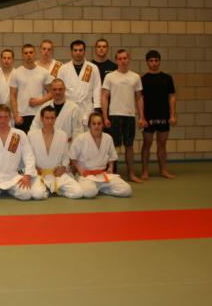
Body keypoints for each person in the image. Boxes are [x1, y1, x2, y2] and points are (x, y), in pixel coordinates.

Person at [0, 105, 44, 201]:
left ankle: (10, 190)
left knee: (26, 195)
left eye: (5, 117)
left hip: (13, 176)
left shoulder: (18, 134)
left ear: (10, 117)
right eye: (0, 117)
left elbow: (28, 156)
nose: (3, 120)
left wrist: (27, 175)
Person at [102, 49, 146, 183]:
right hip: (114, 115)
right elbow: (104, 97)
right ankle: (112, 173)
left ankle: (131, 174)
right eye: (120, 58)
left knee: (129, 145)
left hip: (129, 115)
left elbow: (139, 98)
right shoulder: (110, 77)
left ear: (129, 59)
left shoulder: (135, 77)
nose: (123, 61)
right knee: (112, 146)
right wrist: (105, 117)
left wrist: (141, 117)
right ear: (116, 60)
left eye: (125, 58)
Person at [70, 113, 132, 198]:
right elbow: (72, 157)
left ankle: (100, 188)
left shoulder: (108, 138)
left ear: (102, 125)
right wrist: (79, 169)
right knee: (89, 192)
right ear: (89, 125)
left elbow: (112, 156)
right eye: (94, 124)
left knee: (126, 190)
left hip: (102, 175)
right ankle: (95, 188)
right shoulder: (81, 139)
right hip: (86, 175)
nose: (97, 126)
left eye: (99, 123)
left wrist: (110, 167)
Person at [28, 106, 83, 199]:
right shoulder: (32, 135)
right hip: (39, 174)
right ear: (41, 119)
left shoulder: (62, 135)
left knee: (78, 192)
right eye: (47, 118)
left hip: (57, 174)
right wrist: (34, 168)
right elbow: (28, 156)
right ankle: (48, 189)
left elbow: (66, 157)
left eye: (52, 118)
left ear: (55, 119)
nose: (50, 121)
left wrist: (63, 168)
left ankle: (53, 188)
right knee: (37, 195)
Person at [140, 50, 177, 180]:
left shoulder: (167, 78)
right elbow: (140, 99)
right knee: (147, 144)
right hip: (148, 116)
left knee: (162, 144)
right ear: (147, 62)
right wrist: (141, 117)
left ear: (159, 61)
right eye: (151, 61)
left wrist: (172, 115)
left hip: (163, 115)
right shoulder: (143, 79)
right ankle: (145, 171)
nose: (154, 63)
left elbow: (172, 97)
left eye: (156, 61)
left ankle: (163, 170)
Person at [10, 43, 53, 132]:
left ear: (35, 54)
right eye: (26, 53)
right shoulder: (16, 73)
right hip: (22, 115)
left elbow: (52, 93)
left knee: (38, 140)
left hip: (39, 114)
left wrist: (39, 101)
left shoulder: (44, 72)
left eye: (31, 52)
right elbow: (12, 96)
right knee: (22, 140)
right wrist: (16, 115)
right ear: (22, 55)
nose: (28, 55)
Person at [58, 40, 102, 126]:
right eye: (75, 50)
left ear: (84, 51)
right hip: (68, 107)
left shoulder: (92, 68)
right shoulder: (64, 68)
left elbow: (97, 88)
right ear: (71, 52)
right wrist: (59, 105)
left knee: (87, 133)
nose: (78, 53)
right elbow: (59, 89)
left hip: (86, 108)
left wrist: (97, 107)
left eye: (80, 50)